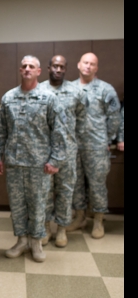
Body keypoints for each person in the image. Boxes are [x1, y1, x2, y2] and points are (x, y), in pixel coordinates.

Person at [0, 55, 67, 263]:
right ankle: (21, 240)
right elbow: (0, 131)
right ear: (20, 70)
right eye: (23, 66)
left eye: (31, 66)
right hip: (14, 163)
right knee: (17, 205)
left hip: (39, 164)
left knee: (38, 205)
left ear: (38, 71)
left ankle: (36, 243)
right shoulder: (8, 98)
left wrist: (55, 160)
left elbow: (59, 132)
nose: (27, 69)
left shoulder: (49, 98)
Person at [67, 53, 121, 238]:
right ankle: (79, 217)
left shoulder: (107, 89)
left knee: (97, 185)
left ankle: (98, 220)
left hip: (96, 146)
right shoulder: (70, 88)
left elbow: (115, 116)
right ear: (78, 64)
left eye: (92, 64)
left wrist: (108, 138)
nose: (88, 66)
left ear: (96, 68)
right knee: (75, 184)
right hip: (74, 146)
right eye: (85, 63)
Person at [39, 55, 87, 248]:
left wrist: (72, 141)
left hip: (67, 153)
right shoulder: (39, 90)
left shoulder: (76, 92)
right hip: (44, 152)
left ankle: (60, 230)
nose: (58, 70)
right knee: (45, 192)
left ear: (66, 69)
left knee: (65, 192)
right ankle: (45, 228)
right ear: (48, 67)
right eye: (54, 66)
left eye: (61, 67)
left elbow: (82, 120)